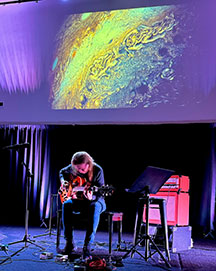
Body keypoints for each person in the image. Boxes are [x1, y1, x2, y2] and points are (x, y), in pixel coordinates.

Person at [59, 151, 106, 258]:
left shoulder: (97, 170)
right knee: (66, 204)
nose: (79, 171)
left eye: (82, 169)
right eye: (77, 169)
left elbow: (100, 193)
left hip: (96, 200)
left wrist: (92, 197)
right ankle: (69, 243)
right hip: (78, 200)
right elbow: (62, 172)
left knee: (94, 207)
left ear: (88, 164)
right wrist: (63, 182)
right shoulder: (72, 168)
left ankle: (87, 247)